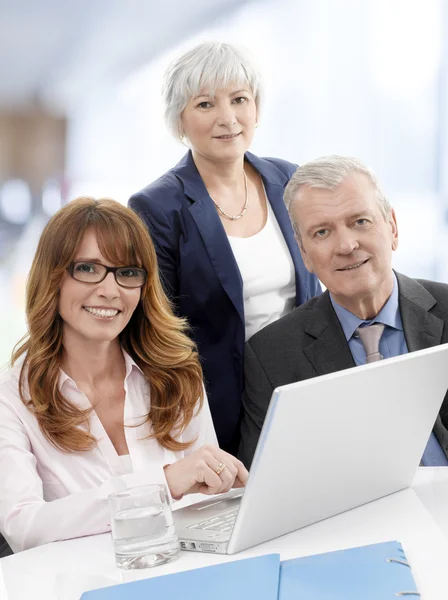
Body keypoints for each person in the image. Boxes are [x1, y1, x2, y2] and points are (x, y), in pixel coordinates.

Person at [0, 198, 248, 554]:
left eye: (128, 272)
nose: (110, 290)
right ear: (52, 277)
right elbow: (24, 527)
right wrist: (162, 484)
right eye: (88, 268)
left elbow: (205, 502)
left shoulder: (177, 374)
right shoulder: (11, 399)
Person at [128, 42, 321, 454]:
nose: (227, 118)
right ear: (178, 120)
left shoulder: (289, 180)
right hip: (219, 409)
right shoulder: (157, 207)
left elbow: (317, 291)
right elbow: (157, 330)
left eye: (239, 99)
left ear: (256, 107)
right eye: (205, 104)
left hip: (304, 390)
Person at [238, 155, 448, 468]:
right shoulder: (271, 357)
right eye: (322, 232)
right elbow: (267, 488)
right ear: (304, 254)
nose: (347, 245)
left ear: (392, 227)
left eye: (360, 222)